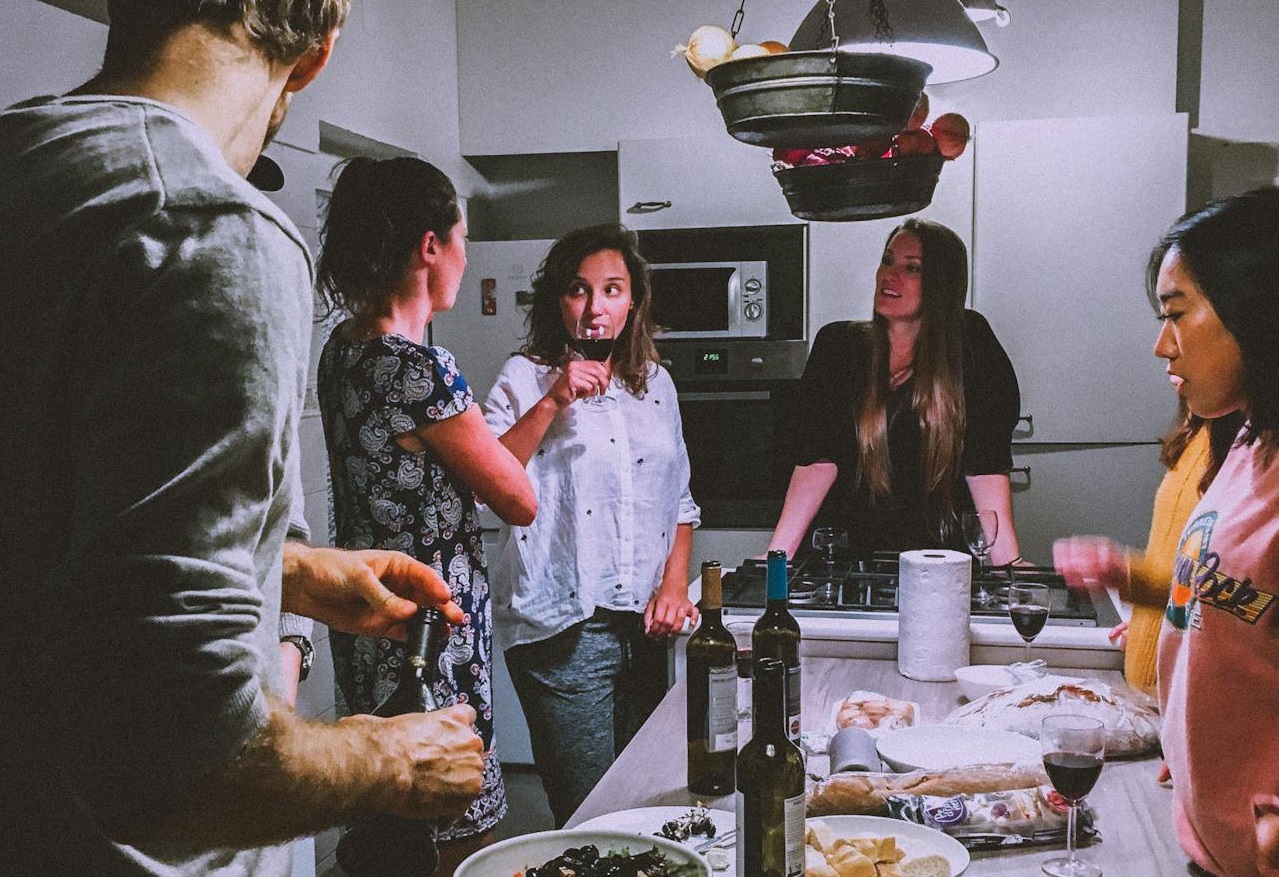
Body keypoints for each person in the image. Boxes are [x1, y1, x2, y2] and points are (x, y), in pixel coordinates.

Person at [0, 3, 488, 874]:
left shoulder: (26, 167)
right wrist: (394, 757)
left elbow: (45, 524)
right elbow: (181, 761)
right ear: (312, 56)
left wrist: (288, 570)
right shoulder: (205, 225)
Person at [315, 155, 537, 874]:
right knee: (455, 823)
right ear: (429, 246)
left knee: (390, 819)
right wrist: (555, 403)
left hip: (366, 619)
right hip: (431, 630)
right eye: (462, 239)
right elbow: (516, 498)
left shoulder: (342, 351)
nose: (467, 258)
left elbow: (422, 475)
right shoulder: (422, 369)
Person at [482, 223, 701, 826]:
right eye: (579, 291)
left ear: (633, 301)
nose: (595, 308)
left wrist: (674, 586)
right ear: (560, 301)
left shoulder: (655, 383)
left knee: (647, 807)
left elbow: (679, 497)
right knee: (590, 816)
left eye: (611, 290)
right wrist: (552, 401)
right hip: (563, 628)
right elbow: (491, 483)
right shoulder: (523, 376)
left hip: (647, 631)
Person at [1147, 186, 1279, 877]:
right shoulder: (1251, 439)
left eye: (1176, 314)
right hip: (1211, 845)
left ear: (1253, 309)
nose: (1160, 343)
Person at [768, 218, 1024, 564]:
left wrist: (1007, 565)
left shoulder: (971, 346)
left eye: (912, 268)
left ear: (941, 285)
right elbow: (817, 462)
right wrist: (776, 558)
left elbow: (985, 466)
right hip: (847, 559)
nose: (890, 276)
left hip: (940, 563)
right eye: (887, 261)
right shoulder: (838, 347)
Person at [1052, 402, 1241, 697]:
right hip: (1152, 699)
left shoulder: (1256, 449)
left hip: (1193, 706)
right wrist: (1151, 623)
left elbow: (1242, 599)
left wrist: (1127, 575)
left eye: (1185, 351)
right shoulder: (1201, 427)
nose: (1163, 353)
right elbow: (1191, 570)